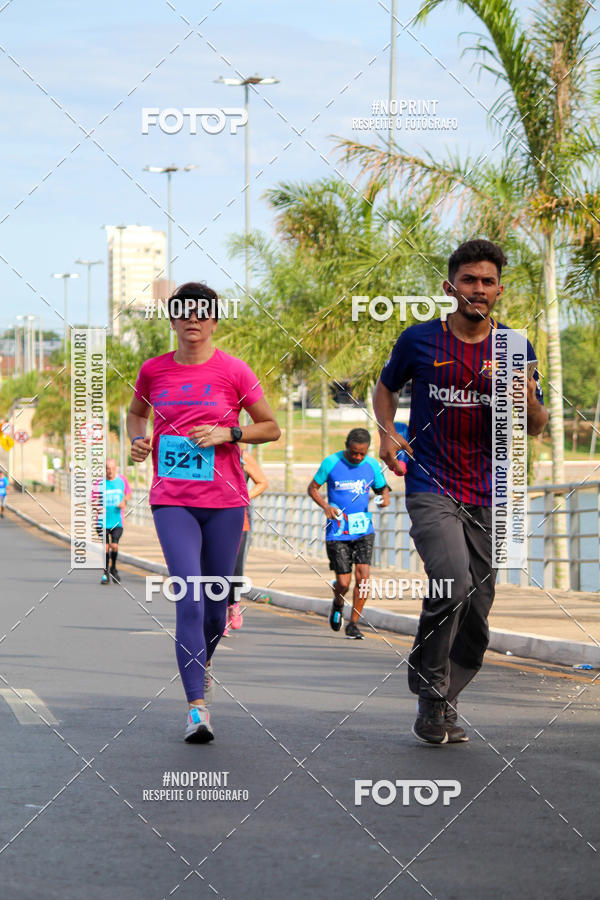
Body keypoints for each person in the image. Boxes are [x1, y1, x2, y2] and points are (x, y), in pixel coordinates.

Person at [374, 239, 547, 745]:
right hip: (431, 482)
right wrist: (387, 431)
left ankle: (447, 698)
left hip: (493, 491)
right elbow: (387, 387)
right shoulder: (419, 340)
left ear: (498, 290)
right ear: (450, 287)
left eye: (487, 281)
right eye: (468, 280)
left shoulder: (516, 348)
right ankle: (431, 696)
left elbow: (536, 425)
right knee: (449, 579)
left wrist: (517, 393)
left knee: (477, 606)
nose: (478, 289)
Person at [128, 282, 280, 743]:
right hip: (171, 498)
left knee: (216, 610)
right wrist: (138, 441)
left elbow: (270, 428)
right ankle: (197, 708)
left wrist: (228, 434)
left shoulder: (233, 371)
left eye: (202, 314)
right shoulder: (153, 371)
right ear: (172, 321)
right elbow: (137, 414)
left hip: (226, 502)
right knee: (189, 597)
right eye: (184, 314)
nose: (193, 321)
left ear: (213, 321)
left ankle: (203, 659)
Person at [308, 428, 390, 640]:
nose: (358, 457)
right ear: (347, 447)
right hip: (337, 530)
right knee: (343, 583)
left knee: (363, 578)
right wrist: (326, 506)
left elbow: (383, 489)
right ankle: (338, 602)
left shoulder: (372, 465)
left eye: (362, 453)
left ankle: (353, 624)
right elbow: (313, 488)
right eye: (354, 453)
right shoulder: (331, 462)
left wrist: (385, 499)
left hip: (363, 530)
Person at [223, 446, 268, 636]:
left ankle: (233, 604)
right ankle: (217, 614)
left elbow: (262, 482)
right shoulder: (205, 455)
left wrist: (242, 497)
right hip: (208, 518)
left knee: (235, 567)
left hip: (238, 520)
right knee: (214, 568)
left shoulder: (242, 457)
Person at [93, 459, 131, 584]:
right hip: (102, 521)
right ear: (105, 469)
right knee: (106, 547)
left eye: (112, 469)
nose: (110, 471)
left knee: (114, 546)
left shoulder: (122, 481)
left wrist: (124, 501)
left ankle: (113, 568)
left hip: (117, 521)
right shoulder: (99, 483)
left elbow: (128, 493)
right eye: (107, 469)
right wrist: (97, 507)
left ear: (116, 469)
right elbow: (93, 499)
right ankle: (105, 573)